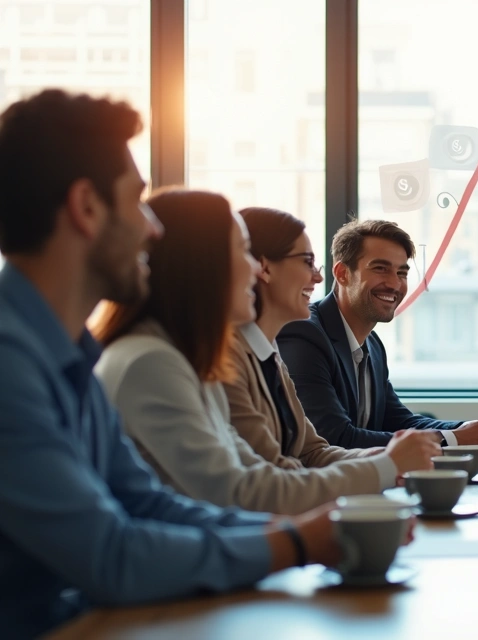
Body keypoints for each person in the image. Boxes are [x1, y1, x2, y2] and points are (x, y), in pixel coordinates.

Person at [0, 90, 345, 637]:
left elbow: (145, 502)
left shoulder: (68, 355)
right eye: (136, 201)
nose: (153, 228)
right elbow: (112, 554)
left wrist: (295, 529)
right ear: (86, 208)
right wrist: (295, 543)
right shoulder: (11, 365)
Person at [92, 190, 439, 515]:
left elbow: (288, 458)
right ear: (201, 262)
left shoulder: (200, 359)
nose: (255, 268)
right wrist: (386, 466)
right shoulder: (154, 364)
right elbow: (243, 489)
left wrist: (389, 460)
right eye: (244, 252)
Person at [278, 219, 478, 453]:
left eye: (402, 273)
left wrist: (471, 430)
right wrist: (453, 439)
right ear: (342, 273)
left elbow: (399, 421)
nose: (394, 284)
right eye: (380, 269)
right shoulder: (305, 335)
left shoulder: (373, 345)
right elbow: (333, 437)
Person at [224, 206, 408, 471]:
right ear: (264, 268)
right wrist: (388, 465)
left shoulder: (270, 352)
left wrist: (393, 458)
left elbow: (313, 451)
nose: (318, 276)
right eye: (307, 262)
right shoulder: (292, 339)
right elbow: (271, 474)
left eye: (402, 272)